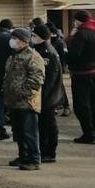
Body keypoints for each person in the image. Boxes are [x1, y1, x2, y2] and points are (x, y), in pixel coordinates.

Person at [3, 27, 45, 171]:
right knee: (19, 132)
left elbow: (37, 78)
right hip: (14, 101)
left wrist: (23, 93)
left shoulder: (33, 56)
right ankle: (23, 155)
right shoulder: (13, 56)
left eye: (15, 38)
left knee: (29, 132)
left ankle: (34, 159)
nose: (12, 41)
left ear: (23, 41)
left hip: (27, 102)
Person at [66, 9, 95, 144]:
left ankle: (89, 134)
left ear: (78, 21)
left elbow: (74, 55)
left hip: (82, 75)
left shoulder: (81, 34)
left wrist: (70, 40)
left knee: (82, 106)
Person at [32, 24, 63, 163]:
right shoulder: (39, 49)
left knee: (48, 125)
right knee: (42, 126)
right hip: (44, 96)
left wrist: (43, 97)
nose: (32, 38)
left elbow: (49, 78)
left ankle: (50, 152)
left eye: (34, 36)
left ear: (41, 37)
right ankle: (43, 150)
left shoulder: (47, 52)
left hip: (48, 96)